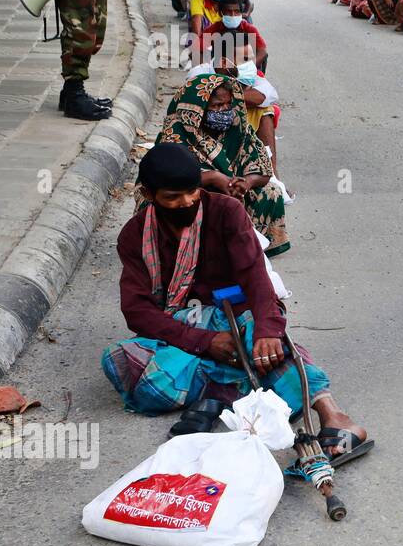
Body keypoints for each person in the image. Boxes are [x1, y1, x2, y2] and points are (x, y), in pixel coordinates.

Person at [102, 143, 370, 458]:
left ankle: (331, 414)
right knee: (120, 362)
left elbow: (255, 276)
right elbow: (137, 312)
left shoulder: (226, 212)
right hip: (183, 329)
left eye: (191, 192)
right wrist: (205, 341)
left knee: (271, 344)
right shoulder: (134, 236)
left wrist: (267, 330)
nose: (186, 202)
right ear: (149, 196)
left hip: (236, 317)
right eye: (172, 198)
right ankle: (238, 389)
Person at [157, 76, 290, 254]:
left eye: (227, 104)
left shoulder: (237, 126)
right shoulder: (176, 131)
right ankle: (198, 253)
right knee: (206, 200)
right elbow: (169, 178)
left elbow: (263, 167)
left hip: (232, 187)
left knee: (270, 192)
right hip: (193, 190)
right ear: (198, 108)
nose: (224, 110)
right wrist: (213, 178)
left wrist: (246, 182)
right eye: (216, 106)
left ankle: (252, 249)